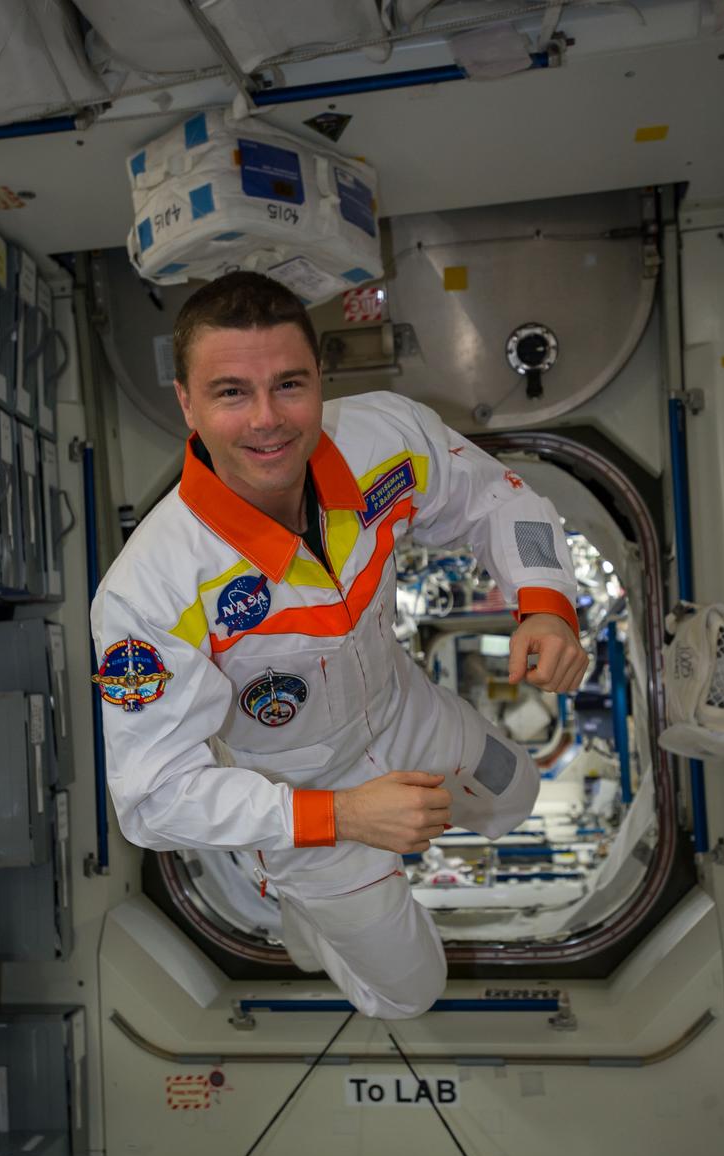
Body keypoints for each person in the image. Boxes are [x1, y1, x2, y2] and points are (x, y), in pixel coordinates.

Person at [91, 272, 587, 1020]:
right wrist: (344, 818)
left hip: (397, 713)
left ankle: (342, 888)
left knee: (512, 795)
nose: (267, 420)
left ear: (321, 378)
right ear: (185, 401)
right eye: (230, 392)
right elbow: (152, 801)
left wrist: (544, 606)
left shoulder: (384, 438)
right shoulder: (150, 591)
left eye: (289, 384)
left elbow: (494, 497)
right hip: (298, 797)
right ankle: (302, 909)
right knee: (411, 995)